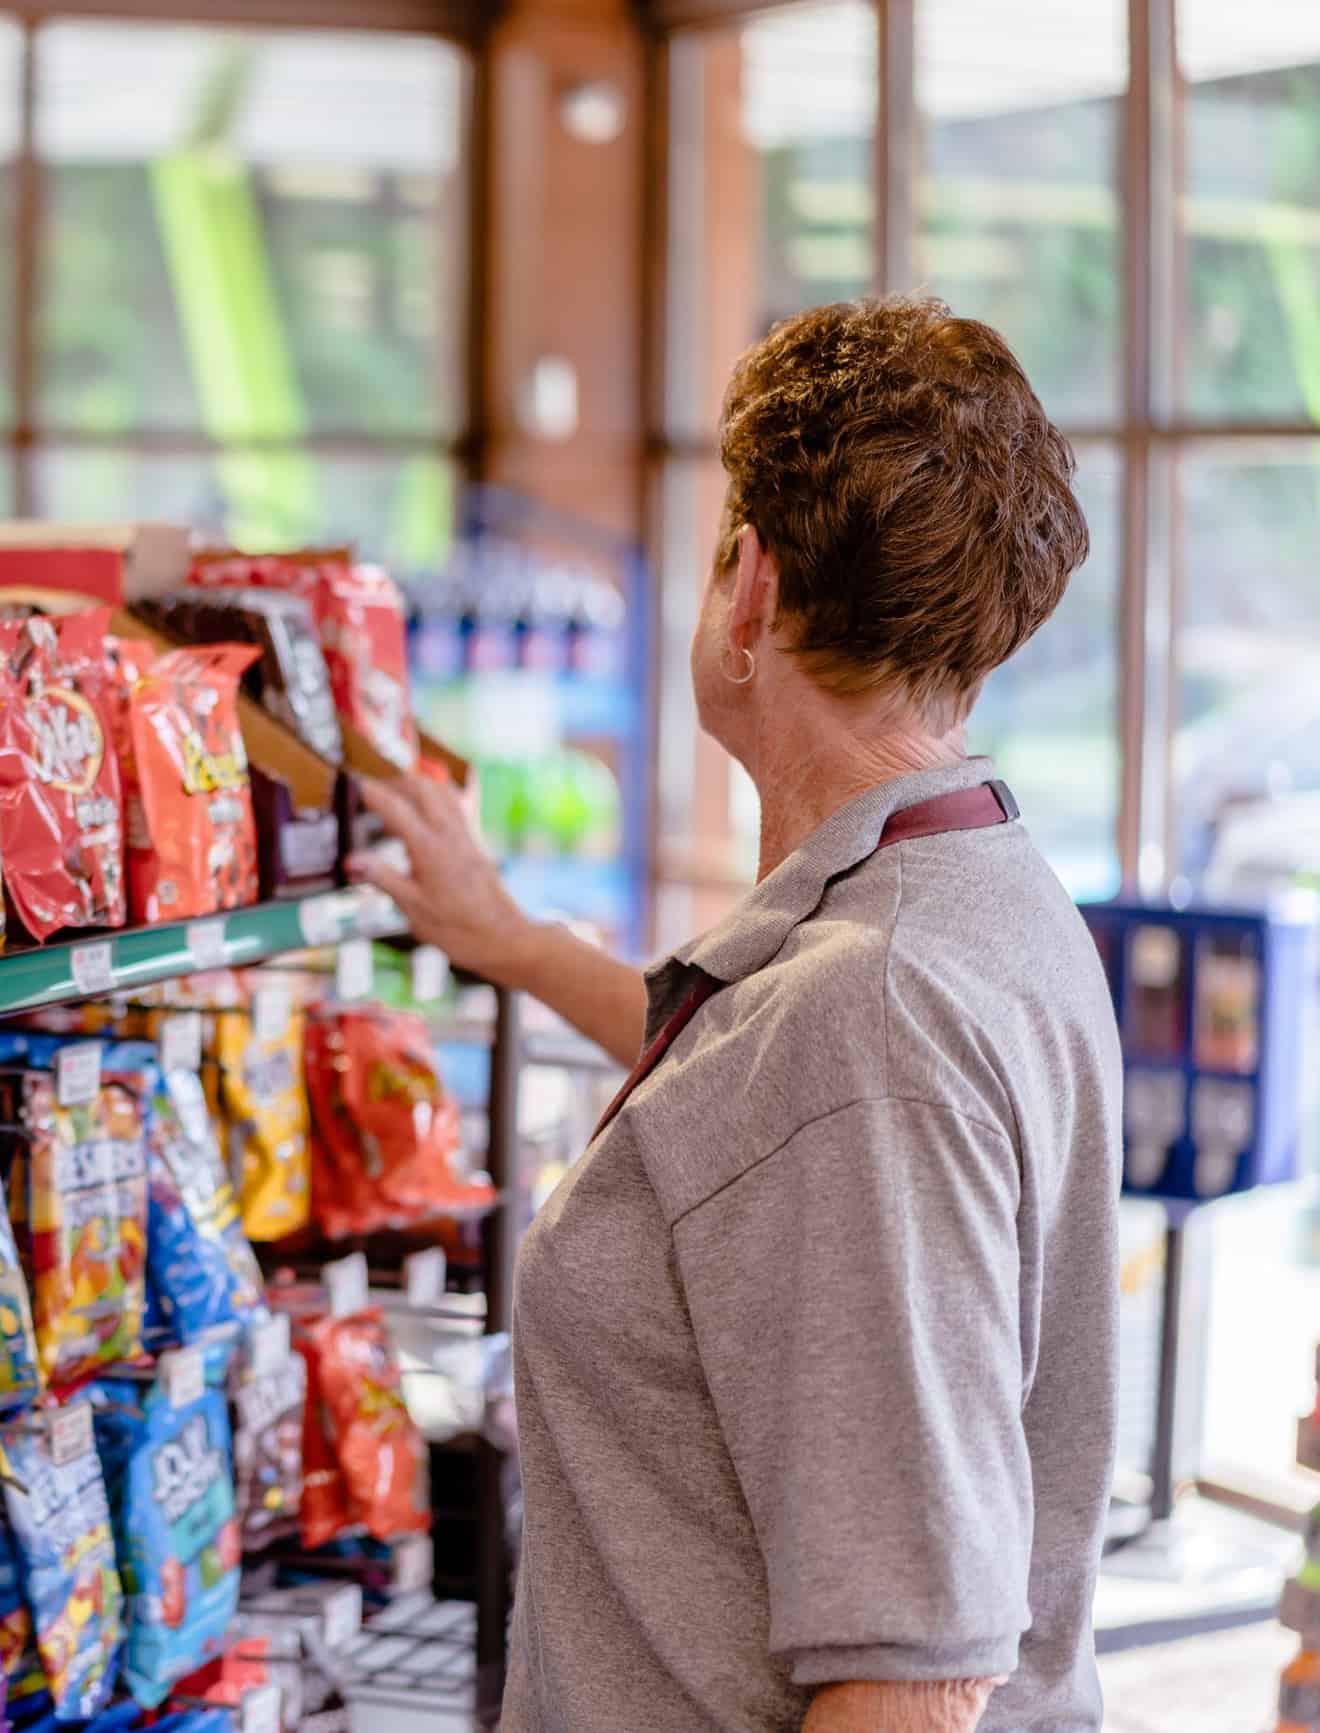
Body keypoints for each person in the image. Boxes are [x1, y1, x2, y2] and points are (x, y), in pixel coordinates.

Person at [354, 297, 1119, 1733]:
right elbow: (739, 1090)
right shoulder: (970, 892)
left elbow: (912, 1679)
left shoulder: (872, 1025)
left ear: (750, 589)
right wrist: (511, 939)